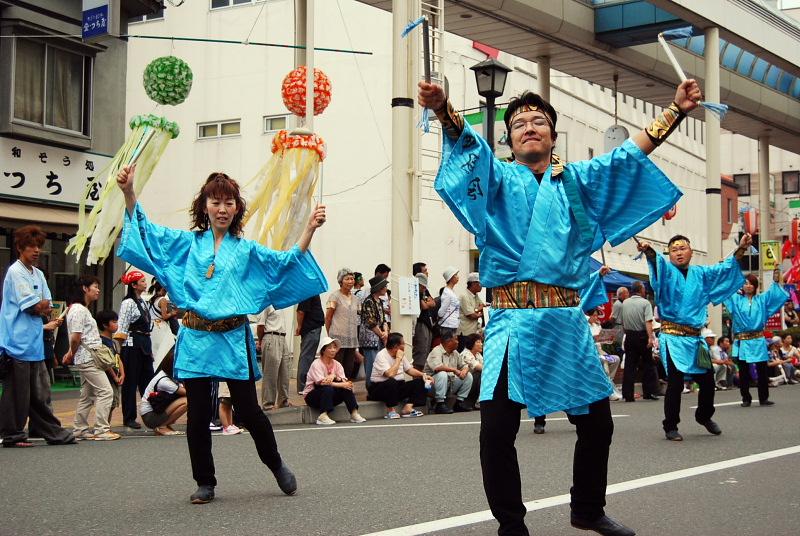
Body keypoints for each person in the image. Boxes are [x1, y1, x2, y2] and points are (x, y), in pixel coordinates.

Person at [420, 71, 697, 534]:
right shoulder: (498, 177)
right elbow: (468, 146)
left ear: (552, 135)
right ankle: (512, 525)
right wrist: (443, 109)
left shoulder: (576, 180)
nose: (529, 128)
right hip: (510, 323)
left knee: (598, 425)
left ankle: (587, 509)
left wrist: (675, 112)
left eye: (538, 122)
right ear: (509, 139)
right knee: (496, 432)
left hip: (565, 322)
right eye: (519, 123)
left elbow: (627, 157)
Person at [116, 165, 327, 504]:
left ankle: (276, 464)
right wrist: (129, 192)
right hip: (196, 337)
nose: (222, 209)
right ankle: (205, 482)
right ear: (204, 207)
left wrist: (309, 228)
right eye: (215, 202)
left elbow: (285, 262)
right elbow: (147, 233)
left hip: (231, 338)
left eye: (229, 203)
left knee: (249, 411)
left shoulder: (246, 250)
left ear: (237, 208)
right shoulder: (188, 244)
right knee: (198, 414)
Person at [640, 234, 751, 442]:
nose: (678, 253)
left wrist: (741, 249)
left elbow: (723, 269)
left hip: (695, 340)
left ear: (691, 252)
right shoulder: (666, 271)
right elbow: (657, 265)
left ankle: (704, 416)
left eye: (683, 248)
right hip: (672, 337)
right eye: (674, 250)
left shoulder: (701, 273)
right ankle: (670, 425)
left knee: (707, 381)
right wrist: (649, 251)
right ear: (669, 254)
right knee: (675, 383)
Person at [0, 225, 75, 448]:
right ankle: (13, 435)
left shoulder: (39, 274)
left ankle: (52, 432)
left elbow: (48, 305)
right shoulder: (15, 272)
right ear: (20, 248)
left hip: (34, 343)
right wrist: (40, 305)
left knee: (39, 393)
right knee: (17, 394)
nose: (36, 250)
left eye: (39, 246)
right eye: (31, 246)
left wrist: (41, 306)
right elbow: (33, 306)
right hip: (16, 343)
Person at [63, 275, 121, 441]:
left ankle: (80, 429)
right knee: (106, 391)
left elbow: (76, 338)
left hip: (86, 357)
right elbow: (76, 337)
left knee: (87, 395)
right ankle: (101, 429)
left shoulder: (78, 309)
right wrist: (71, 353)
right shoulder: (79, 310)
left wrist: (71, 353)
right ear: (84, 288)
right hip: (89, 358)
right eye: (95, 286)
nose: (98, 290)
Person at [723, 272, 787, 407]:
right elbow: (726, 290)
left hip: (758, 339)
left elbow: (773, 294)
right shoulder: (736, 299)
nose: (748, 286)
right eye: (745, 283)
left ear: (755, 286)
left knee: (762, 370)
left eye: (751, 284)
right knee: (744, 371)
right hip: (742, 341)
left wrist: (776, 280)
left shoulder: (761, 299)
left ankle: (764, 398)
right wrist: (726, 272)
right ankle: (746, 398)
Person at [116, 270, 154, 429]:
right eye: (142, 281)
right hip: (131, 345)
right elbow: (122, 327)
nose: (145, 283)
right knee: (130, 383)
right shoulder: (128, 303)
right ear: (133, 285)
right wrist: (119, 351)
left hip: (144, 343)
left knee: (148, 380)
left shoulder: (143, 302)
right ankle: (129, 417)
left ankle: (152, 414)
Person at [302, 336, 367, 425]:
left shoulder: (337, 365)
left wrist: (334, 376)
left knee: (346, 388)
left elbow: (344, 381)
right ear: (323, 350)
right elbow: (322, 383)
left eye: (334, 347)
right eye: (330, 348)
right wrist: (342, 384)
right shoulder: (316, 364)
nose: (333, 350)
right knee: (328, 388)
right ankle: (322, 416)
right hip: (313, 397)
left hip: (329, 395)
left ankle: (354, 413)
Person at [368, 332, 430, 418]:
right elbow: (390, 374)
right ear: (396, 346)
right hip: (379, 389)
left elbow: (409, 369)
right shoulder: (381, 355)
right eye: (403, 344)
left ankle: (408, 408)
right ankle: (391, 410)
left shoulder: (400, 354)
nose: (404, 346)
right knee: (391, 381)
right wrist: (398, 359)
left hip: (397, 387)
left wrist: (424, 375)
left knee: (421, 382)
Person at [620, 281, 658, 402]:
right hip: (642, 336)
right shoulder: (645, 303)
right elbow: (648, 321)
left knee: (629, 365)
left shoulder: (625, 302)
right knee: (648, 364)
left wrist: (627, 333)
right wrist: (650, 337)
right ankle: (649, 392)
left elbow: (622, 322)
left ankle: (628, 394)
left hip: (629, 336)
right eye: (643, 288)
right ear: (641, 290)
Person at [424, 330, 473, 414]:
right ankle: (440, 404)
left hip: (449, 384)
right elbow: (437, 367)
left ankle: (459, 403)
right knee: (442, 374)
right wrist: (454, 370)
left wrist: (464, 371)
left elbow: (464, 365)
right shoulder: (436, 351)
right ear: (448, 342)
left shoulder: (455, 353)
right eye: (456, 339)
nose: (458, 342)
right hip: (431, 386)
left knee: (468, 376)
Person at [139, 353, 188, 436]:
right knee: (187, 401)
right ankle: (162, 426)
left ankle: (165, 425)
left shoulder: (165, 373)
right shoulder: (164, 381)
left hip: (155, 411)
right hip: (150, 416)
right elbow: (187, 393)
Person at [325, 268, 362, 380]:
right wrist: (330, 336)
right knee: (337, 367)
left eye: (352, 279)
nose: (350, 281)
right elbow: (328, 317)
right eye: (347, 279)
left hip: (352, 338)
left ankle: (345, 387)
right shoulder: (334, 296)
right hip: (337, 336)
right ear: (341, 281)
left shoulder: (356, 299)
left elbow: (359, 315)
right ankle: (336, 388)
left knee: (349, 368)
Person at [256, 306, 291, 411]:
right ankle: (268, 404)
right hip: (271, 336)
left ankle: (283, 401)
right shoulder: (266, 304)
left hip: (282, 337)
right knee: (271, 374)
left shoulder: (281, 303)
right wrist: (260, 341)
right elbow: (260, 325)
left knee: (284, 372)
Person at [96, 310, 125, 424]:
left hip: (116, 376)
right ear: (105, 325)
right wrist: (114, 376)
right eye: (114, 322)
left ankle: (106, 425)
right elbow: (105, 362)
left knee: (113, 403)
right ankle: (103, 426)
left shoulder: (114, 342)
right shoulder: (100, 342)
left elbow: (118, 358)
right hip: (107, 376)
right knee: (108, 401)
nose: (117, 324)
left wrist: (122, 374)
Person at [360, 276, 389, 387]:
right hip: (370, 339)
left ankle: (378, 387)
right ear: (379, 288)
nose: (386, 288)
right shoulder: (368, 301)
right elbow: (370, 322)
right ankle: (371, 388)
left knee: (380, 364)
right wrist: (382, 334)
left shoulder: (380, 301)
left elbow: (384, 319)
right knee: (371, 365)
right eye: (384, 286)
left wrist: (385, 332)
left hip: (380, 337)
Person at [295, 294, 324, 394]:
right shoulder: (308, 291)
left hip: (313, 327)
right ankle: (303, 386)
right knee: (306, 358)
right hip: (311, 328)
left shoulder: (311, 291)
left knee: (308, 357)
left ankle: (307, 384)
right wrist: (299, 326)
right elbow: (300, 311)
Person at [148, 280, 177, 369]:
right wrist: (172, 313)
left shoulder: (153, 299)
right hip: (161, 327)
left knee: (155, 351)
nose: (166, 292)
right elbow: (164, 316)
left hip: (152, 327)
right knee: (165, 349)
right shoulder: (163, 300)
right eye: (165, 290)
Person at [412, 272, 437, 370]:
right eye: (422, 287)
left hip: (428, 324)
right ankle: (417, 373)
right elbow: (424, 306)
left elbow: (433, 303)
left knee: (426, 349)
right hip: (420, 322)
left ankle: (421, 372)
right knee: (421, 349)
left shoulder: (425, 291)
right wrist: (427, 303)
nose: (424, 289)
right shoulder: (415, 292)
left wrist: (427, 303)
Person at [459, 272, 485, 348]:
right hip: (465, 332)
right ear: (473, 284)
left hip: (473, 332)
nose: (481, 286)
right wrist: (478, 310)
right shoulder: (464, 296)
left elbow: (482, 306)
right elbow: (471, 315)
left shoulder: (475, 295)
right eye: (480, 283)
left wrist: (477, 310)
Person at [461, 333, 484, 410]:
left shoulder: (477, 354)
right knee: (480, 373)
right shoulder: (466, 354)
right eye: (478, 342)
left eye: (481, 342)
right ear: (471, 343)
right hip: (464, 382)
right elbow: (480, 367)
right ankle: (480, 401)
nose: (481, 344)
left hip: (473, 383)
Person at [438, 267, 460, 338]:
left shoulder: (451, 291)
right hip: (447, 325)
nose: (458, 277)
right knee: (448, 342)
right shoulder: (447, 292)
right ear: (450, 278)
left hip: (452, 324)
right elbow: (441, 312)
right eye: (455, 275)